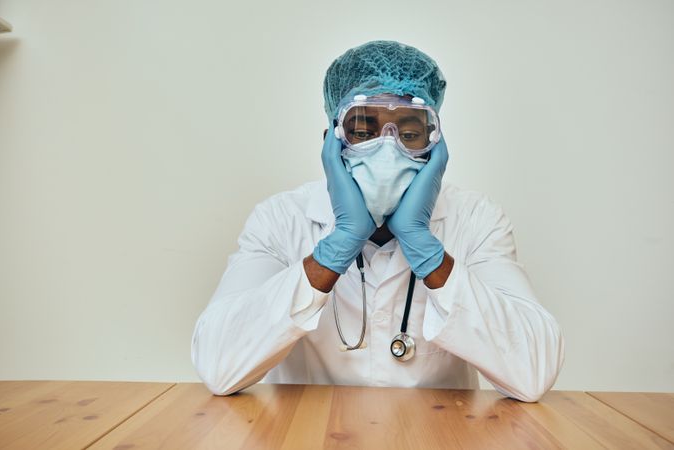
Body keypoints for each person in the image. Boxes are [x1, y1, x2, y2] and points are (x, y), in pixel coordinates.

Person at [191, 40, 565, 402]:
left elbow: (532, 374)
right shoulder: (280, 219)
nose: (389, 147)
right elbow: (219, 366)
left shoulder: (477, 220)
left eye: (410, 132)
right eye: (364, 130)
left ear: (435, 146)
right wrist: (337, 246)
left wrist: (426, 248)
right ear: (331, 143)